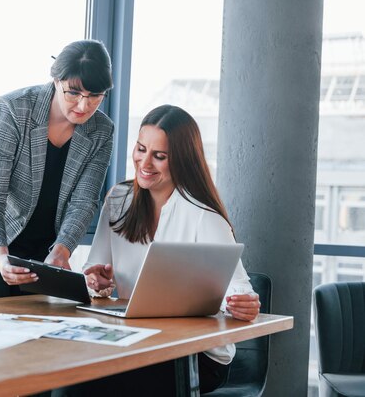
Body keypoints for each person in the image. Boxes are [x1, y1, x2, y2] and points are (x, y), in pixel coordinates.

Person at [57, 105, 261, 396]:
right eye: (141, 149)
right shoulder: (118, 199)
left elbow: (238, 290)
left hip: (195, 355)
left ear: (182, 161)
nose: (145, 162)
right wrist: (98, 282)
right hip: (134, 340)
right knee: (65, 374)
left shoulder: (204, 217)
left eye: (159, 156)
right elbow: (95, 274)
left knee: (85, 385)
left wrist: (243, 303)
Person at [0, 40, 114, 301]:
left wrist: (62, 251)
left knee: (32, 336)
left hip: (40, 251)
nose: (83, 106)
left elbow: (84, 202)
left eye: (94, 97)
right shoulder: (13, 109)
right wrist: (1, 258)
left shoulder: (101, 130)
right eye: (73, 93)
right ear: (56, 80)